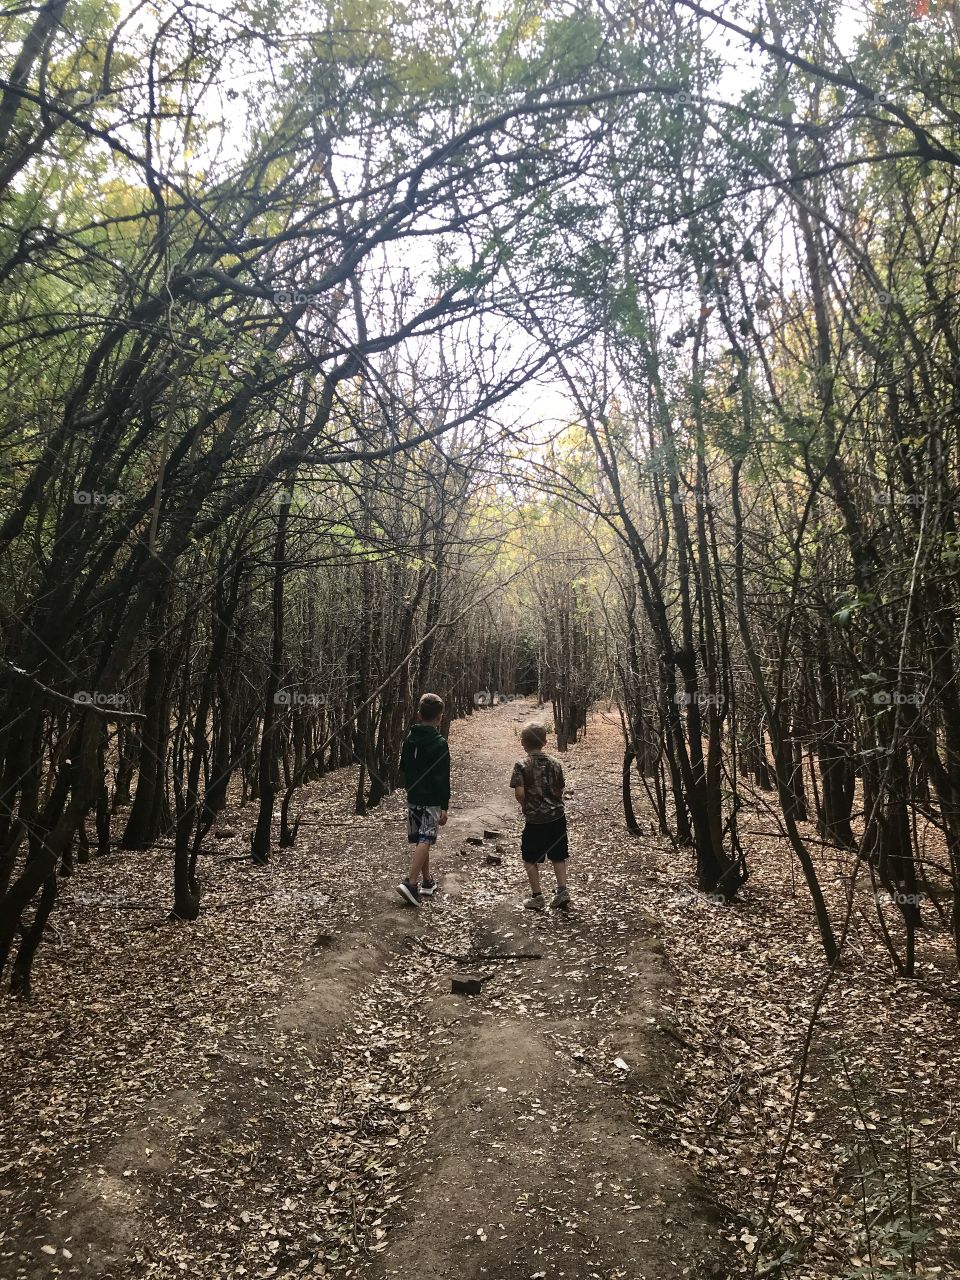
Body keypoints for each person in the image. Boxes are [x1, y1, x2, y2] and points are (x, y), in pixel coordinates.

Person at [397, 692, 450, 907]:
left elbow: (403, 768)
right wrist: (444, 806)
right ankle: (410, 883)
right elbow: (443, 778)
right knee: (426, 839)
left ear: (419, 714)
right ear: (440, 717)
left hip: (413, 797)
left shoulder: (410, 739)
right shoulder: (440, 743)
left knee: (421, 838)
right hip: (431, 800)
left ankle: (427, 882)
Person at [510, 722, 570, 910]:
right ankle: (562, 891)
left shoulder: (521, 765)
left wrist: (526, 806)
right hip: (557, 817)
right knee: (558, 855)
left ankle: (537, 896)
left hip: (535, 820)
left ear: (523, 743)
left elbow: (519, 793)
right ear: (545, 741)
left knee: (530, 857)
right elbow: (560, 788)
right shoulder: (555, 763)